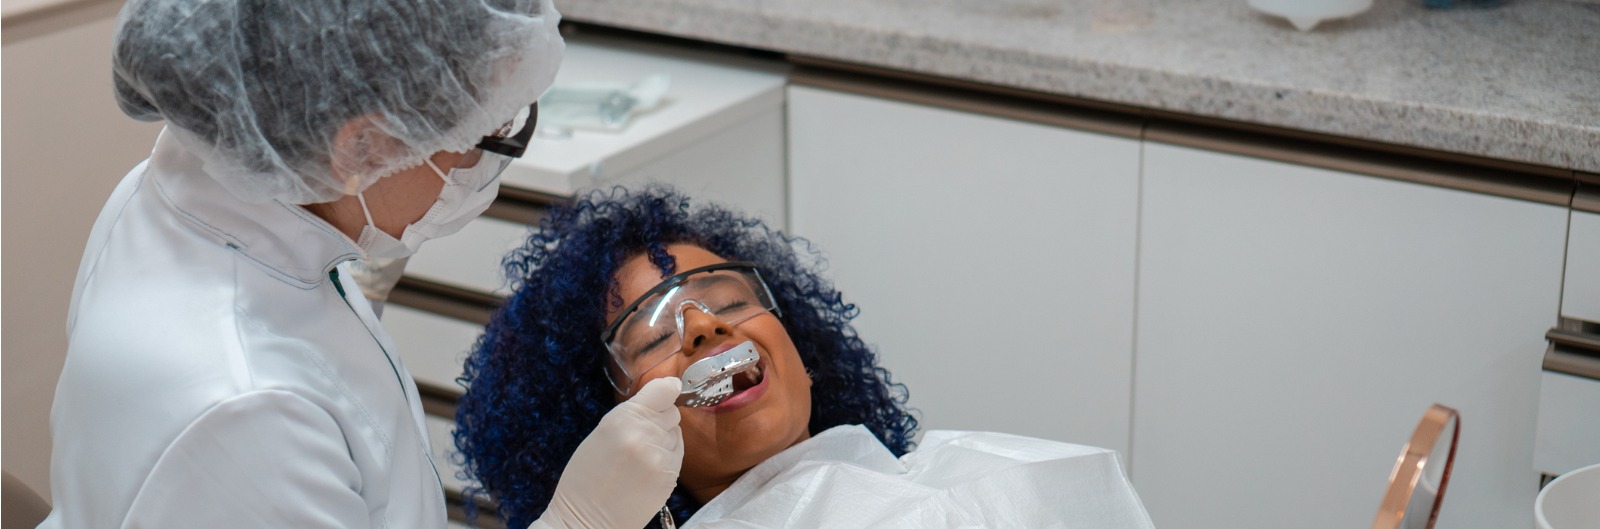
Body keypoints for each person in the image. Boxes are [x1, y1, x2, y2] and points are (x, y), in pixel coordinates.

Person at [41, 1, 681, 528]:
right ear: (361, 145)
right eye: (490, 127)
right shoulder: (249, 411)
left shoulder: (191, 193)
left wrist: (341, 284)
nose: (494, 162)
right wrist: (577, 521)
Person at [455, 187, 1155, 528]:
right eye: (653, 334)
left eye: (726, 299)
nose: (701, 325)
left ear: (805, 352)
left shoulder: (994, 478)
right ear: (608, 432)